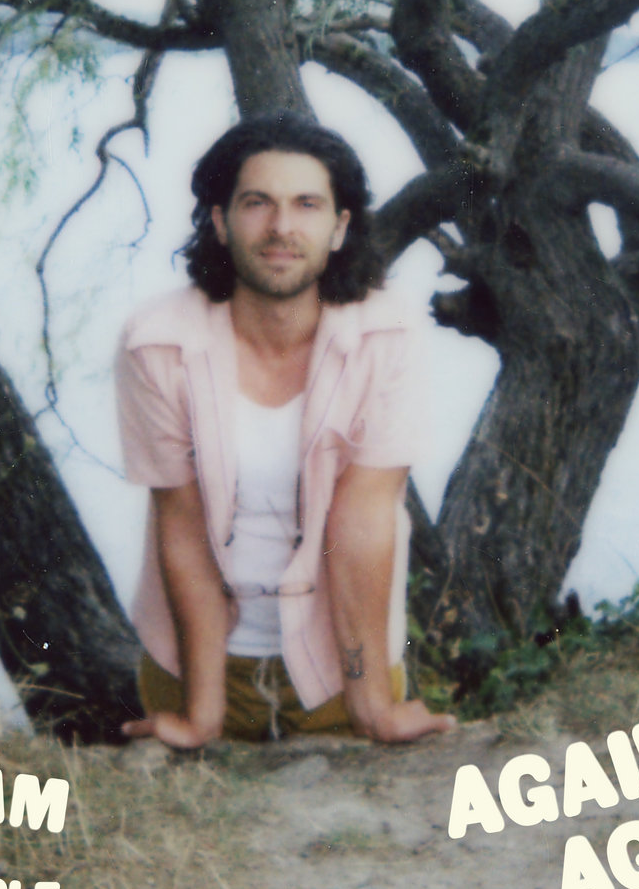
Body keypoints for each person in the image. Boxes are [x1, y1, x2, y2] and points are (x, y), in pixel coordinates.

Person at [116, 110, 454, 747]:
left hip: (338, 672)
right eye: (256, 203)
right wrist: (202, 714)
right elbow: (182, 524)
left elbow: (361, 523)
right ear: (219, 221)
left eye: (306, 204)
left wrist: (370, 703)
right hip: (192, 670)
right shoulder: (157, 345)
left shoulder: (386, 336)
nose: (281, 228)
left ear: (339, 227)